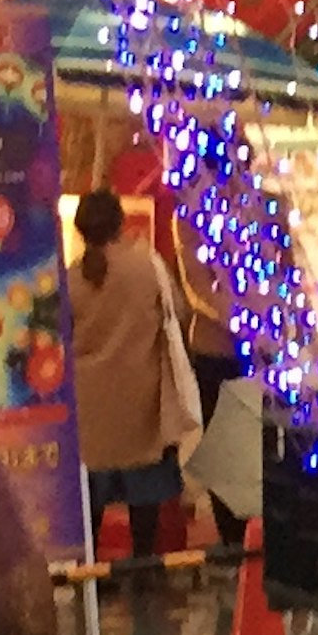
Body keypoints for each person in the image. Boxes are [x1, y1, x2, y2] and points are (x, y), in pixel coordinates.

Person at [69, 180, 198, 556]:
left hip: (90, 411)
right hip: (142, 404)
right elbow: (179, 311)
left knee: (91, 500)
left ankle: (93, 578)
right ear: (120, 223)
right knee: (145, 503)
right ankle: (143, 572)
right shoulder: (148, 267)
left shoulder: (70, 278)